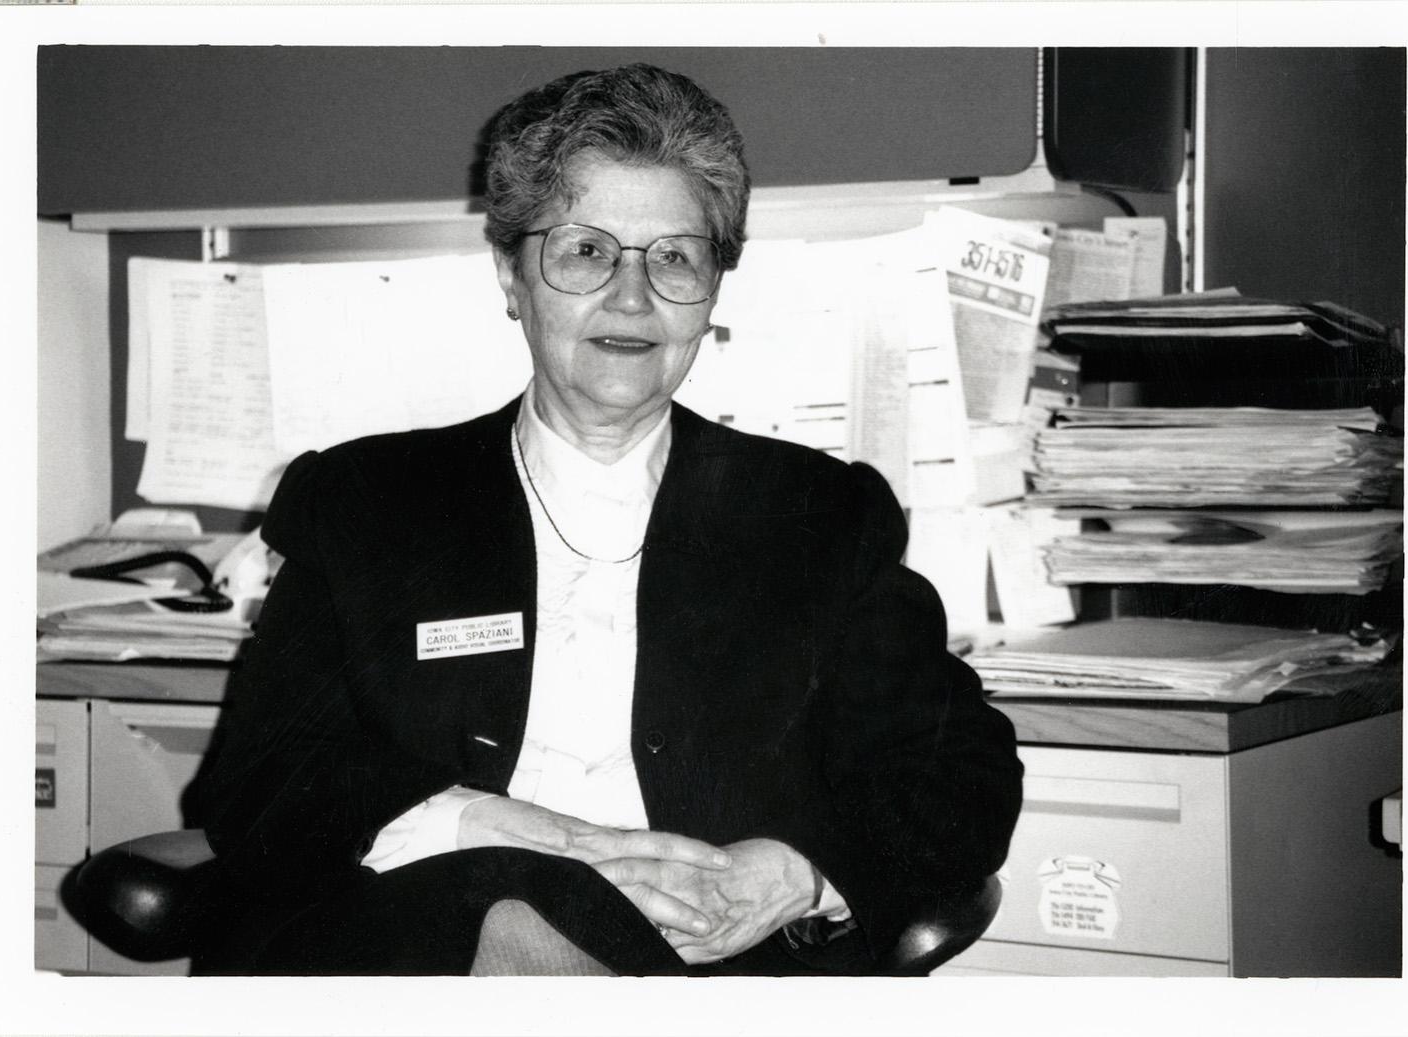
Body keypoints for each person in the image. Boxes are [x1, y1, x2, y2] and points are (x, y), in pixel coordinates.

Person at [197, 62, 1022, 977]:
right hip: (425, 940)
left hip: (706, 966)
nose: (632, 297)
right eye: (586, 250)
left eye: (675, 256)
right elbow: (263, 778)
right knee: (509, 920)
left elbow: (961, 771)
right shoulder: (369, 504)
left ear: (712, 293)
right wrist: (515, 833)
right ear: (513, 274)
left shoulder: (817, 517)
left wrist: (794, 873)